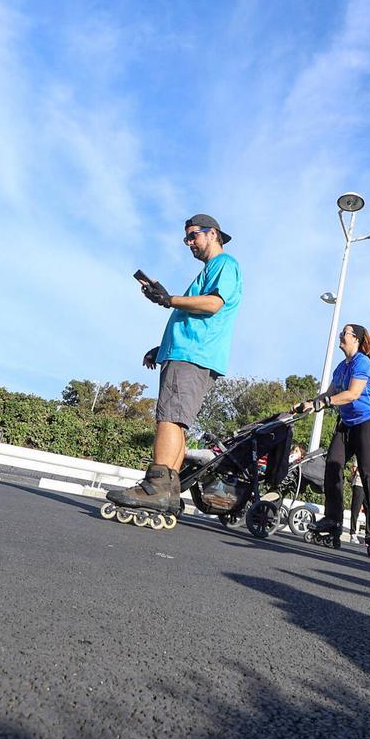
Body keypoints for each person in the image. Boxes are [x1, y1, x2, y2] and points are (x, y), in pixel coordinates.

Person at [107, 214, 242, 518]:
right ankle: (168, 489)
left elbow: (213, 304)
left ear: (213, 234)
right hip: (186, 351)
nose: (190, 243)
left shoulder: (225, 265)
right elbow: (193, 314)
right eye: (187, 239)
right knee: (178, 421)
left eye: (194, 236)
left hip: (193, 354)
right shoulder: (211, 269)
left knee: (168, 417)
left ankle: (155, 486)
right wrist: (162, 348)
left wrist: (169, 299)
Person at [296, 324, 370, 557]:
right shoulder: (341, 368)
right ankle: (333, 520)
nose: (340, 336)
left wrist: (323, 404)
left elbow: (352, 394)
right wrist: (309, 403)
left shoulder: (362, 362)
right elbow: (329, 394)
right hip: (347, 423)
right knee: (333, 464)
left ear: (356, 339)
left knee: (369, 472)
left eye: (344, 333)